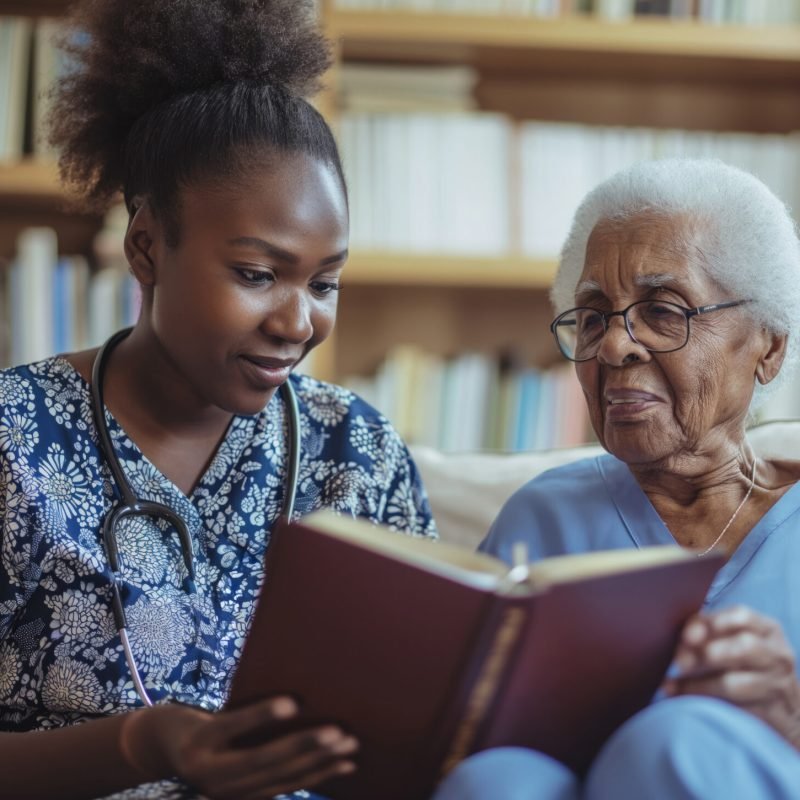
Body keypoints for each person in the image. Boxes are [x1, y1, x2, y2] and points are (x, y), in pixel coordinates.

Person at [0, 2, 438, 798]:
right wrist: (143, 743)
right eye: (258, 274)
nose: (300, 322)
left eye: (325, 281)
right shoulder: (13, 443)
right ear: (146, 246)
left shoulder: (357, 454)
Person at [454, 158, 800, 799]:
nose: (614, 346)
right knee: (497, 780)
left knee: (672, 746)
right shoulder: (543, 518)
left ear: (768, 345)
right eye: (592, 316)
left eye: (664, 311)